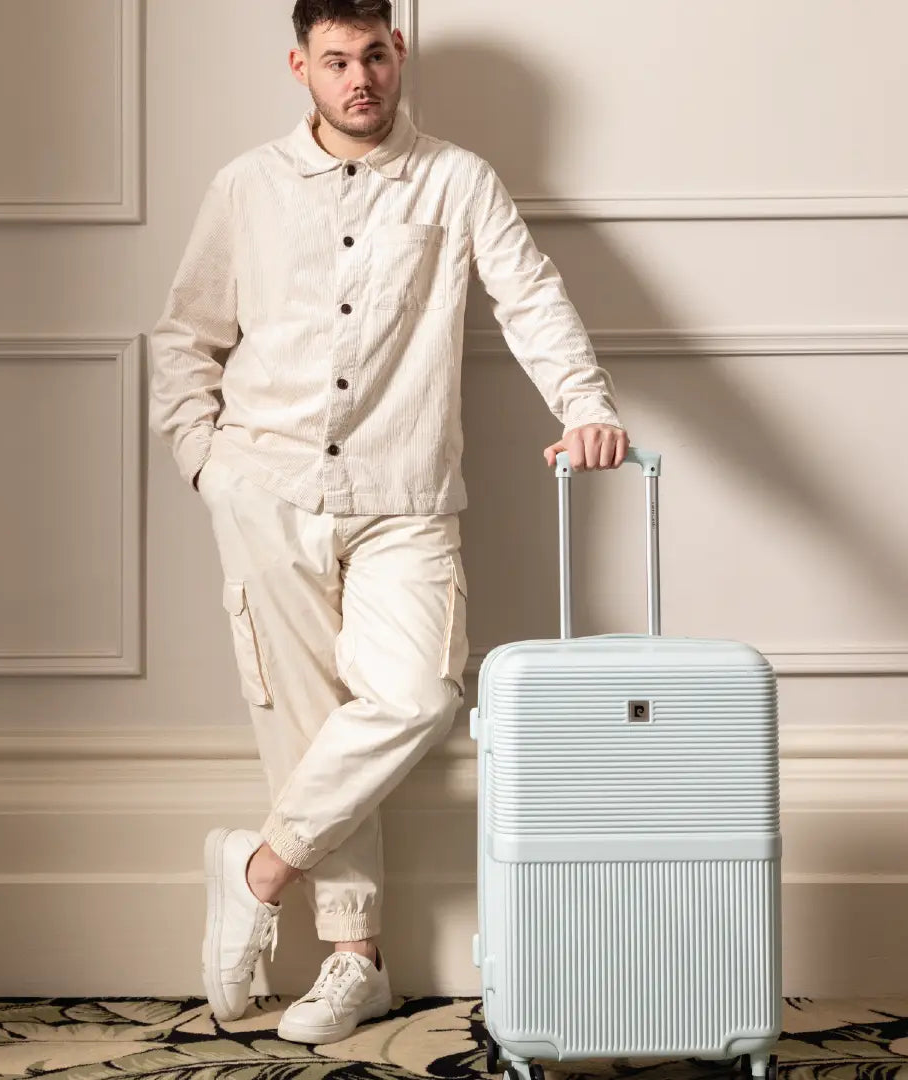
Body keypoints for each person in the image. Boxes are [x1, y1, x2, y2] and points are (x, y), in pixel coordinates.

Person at [148, 0, 630, 1046]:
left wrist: (586, 405)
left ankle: (258, 868)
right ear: (300, 66)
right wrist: (205, 465)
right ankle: (353, 961)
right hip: (265, 487)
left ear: (396, 51)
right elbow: (186, 335)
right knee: (305, 723)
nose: (359, 78)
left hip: (404, 493)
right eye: (335, 61)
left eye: (374, 55)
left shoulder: (457, 180)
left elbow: (531, 296)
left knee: (416, 692)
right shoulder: (247, 186)